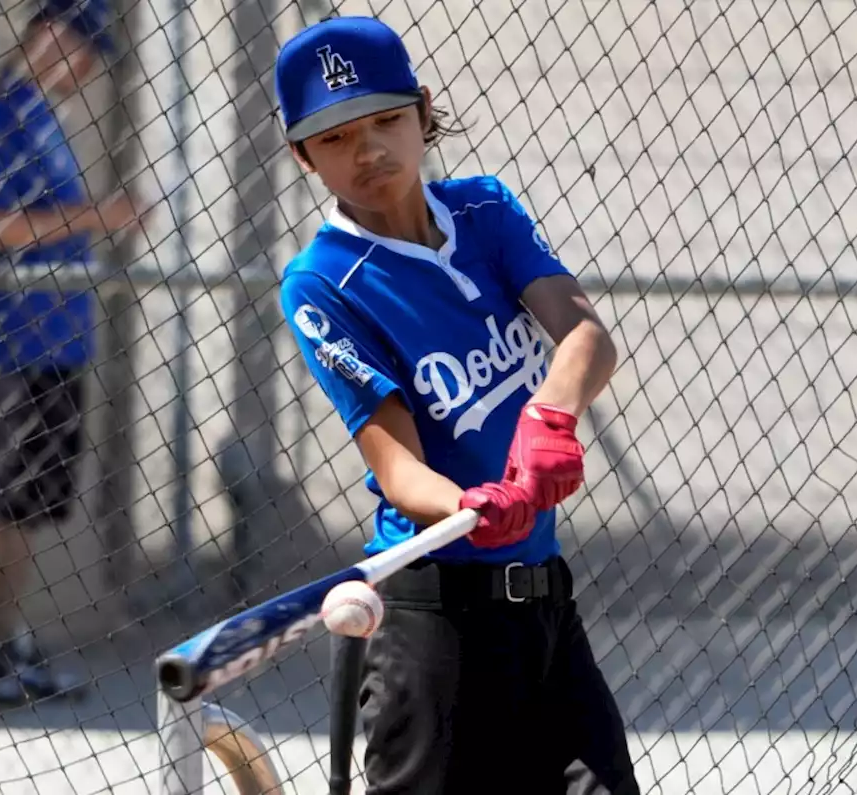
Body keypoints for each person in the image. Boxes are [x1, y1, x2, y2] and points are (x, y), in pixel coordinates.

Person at [274, 15, 643, 795]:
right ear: (302, 154)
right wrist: (467, 502)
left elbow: (584, 336)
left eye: (385, 120)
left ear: (423, 111)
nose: (369, 150)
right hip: (435, 619)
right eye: (335, 138)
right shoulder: (322, 282)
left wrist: (549, 416)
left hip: (544, 604)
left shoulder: (483, 210)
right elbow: (394, 460)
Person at [0, 0, 147, 707]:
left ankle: (6, 641)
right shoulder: (1, 112)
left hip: (56, 344)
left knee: (30, 505)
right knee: (4, 500)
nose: (86, 64)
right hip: (12, 343)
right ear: (46, 34)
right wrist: (100, 217)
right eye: (80, 45)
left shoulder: (49, 119)